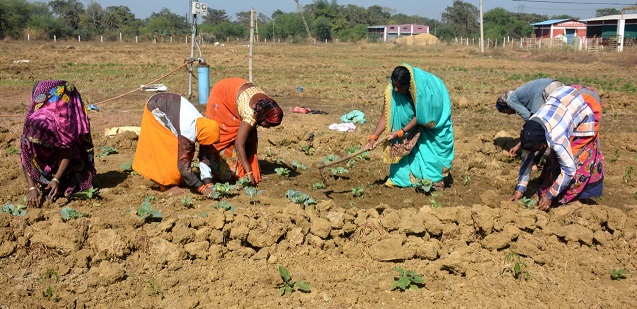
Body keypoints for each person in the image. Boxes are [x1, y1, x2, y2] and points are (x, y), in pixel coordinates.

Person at [510, 85, 604, 211]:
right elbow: (527, 159)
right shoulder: (531, 128)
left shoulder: (557, 136)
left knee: (577, 158)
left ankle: (580, 196)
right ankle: (555, 185)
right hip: (566, 99)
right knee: (558, 156)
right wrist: (520, 189)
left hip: (588, 103)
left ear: (544, 145)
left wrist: (550, 195)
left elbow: (569, 170)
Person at [364, 64, 454, 189]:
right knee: (405, 143)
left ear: (409, 85)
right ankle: (406, 178)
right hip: (413, 122)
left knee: (427, 147)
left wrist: (401, 132)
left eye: (399, 87)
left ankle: (434, 179)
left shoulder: (422, 92)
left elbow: (421, 116)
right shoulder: (392, 92)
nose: (395, 90)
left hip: (432, 116)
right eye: (394, 85)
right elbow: (385, 116)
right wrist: (373, 137)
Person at [21, 80, 96, 207]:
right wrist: (32, 188)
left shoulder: (63, 130)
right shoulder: (28, 131)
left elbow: (67, 152)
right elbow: (25, 158)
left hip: (64, 95)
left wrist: (56, 179)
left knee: (76, 181)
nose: (39, 146)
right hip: (45, 97)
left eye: (43, 144)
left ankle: (61, 174)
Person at [133, 93, 220, 197]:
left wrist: (208, 182)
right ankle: (167, 184)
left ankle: (175, 179)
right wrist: (201, 187)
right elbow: (183, 165)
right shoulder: (188, 130)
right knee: (170, 150)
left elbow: (205, 154)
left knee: (182, 150)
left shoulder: (203, 125)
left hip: (168, 104)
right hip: (156, 108)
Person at [201, 77, 283, 185]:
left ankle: (245, 167)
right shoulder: (251, 114)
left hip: (235, 90)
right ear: (262, 116)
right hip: (222, 95)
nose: (267, 128)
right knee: (227, 172)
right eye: (267, 124)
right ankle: (213, 169)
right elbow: (239, 144)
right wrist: (249, 173)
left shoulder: (266, 105)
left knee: (249, 135)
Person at [496, 78, 565, 156]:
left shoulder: (510, 101)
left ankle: (534, 162)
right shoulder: (523, 97)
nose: (508, 114)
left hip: (548, 90)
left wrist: (519, 145)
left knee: (538, 129)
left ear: (506, 106)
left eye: (505, 112)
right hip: (558, 85)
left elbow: (531, 122)